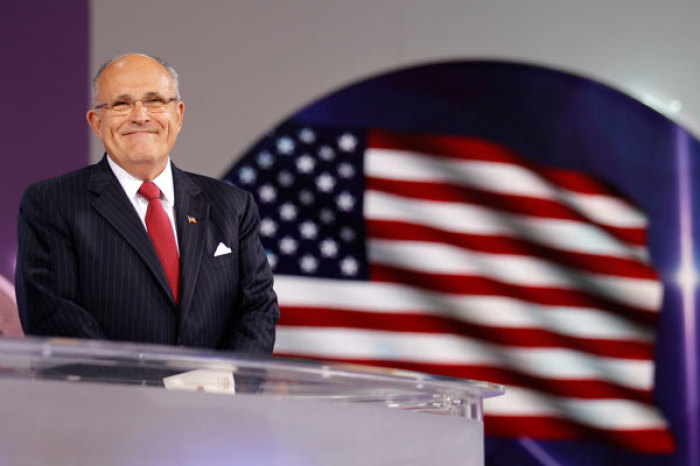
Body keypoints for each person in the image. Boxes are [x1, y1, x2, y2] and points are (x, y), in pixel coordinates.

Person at [15, 53, 279, 354]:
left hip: (213, 399)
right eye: (121, 103)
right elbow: (54, 316)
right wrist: (145, 394)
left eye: (155, 101)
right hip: (108, 399)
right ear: (96, 122)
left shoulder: (233, 206)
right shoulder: (51, 203)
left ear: (178, 115)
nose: (140, 115)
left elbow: (257, 309)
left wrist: (226, 386)